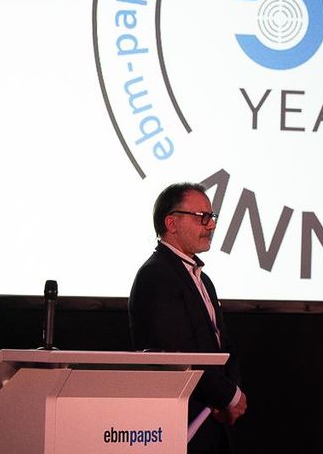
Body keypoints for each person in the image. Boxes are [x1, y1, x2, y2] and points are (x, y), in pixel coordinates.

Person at [128, 182, 247, 454]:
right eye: (202, 217)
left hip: (213, 422)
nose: (211, 225)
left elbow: (223, 345)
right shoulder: (156, 275)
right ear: (171, 223)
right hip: (182, 427)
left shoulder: (204, 280)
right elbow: (175, 354)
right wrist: (229, 396)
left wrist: (232, 392)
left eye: (212, 217)